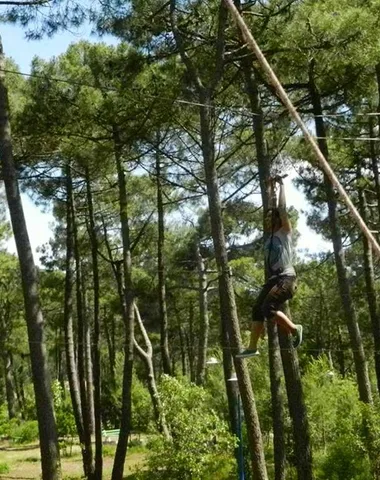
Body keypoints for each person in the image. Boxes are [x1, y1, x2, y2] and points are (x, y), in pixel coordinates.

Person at [237, 176, 302, 358]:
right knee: (257, 308)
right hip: (275, 279)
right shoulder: (269, 238)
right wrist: (270, 188)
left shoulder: (285, 233)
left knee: (268, 308)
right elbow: (273, 208)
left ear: (278, 221)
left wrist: (281, 186)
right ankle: (252, 347)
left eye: (270, 219)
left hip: (287, 278)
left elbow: (280, 209)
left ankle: (295, 329)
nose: (267, 222)